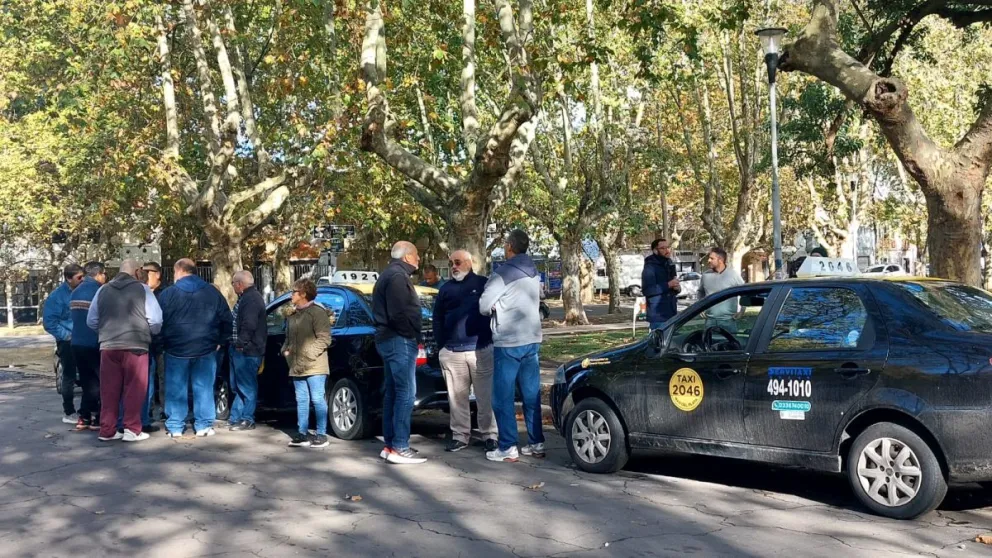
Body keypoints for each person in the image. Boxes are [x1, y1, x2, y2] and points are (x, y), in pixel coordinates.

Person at [479, 229, 544, 463]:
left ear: (509, 246)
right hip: (532, 338)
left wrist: (497, 307)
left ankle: (507, 446)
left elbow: (484, 306)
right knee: (530, 393)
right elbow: (540, 295)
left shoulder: (501, 273)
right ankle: (536, 442)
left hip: (508, 340)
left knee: (502, 396)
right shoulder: (534, 270)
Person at [86, 259, 163, 442]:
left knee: (109, 389)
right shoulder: (143, 289)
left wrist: (106, 331)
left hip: (108, 346)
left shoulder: (102, 290)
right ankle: (132, 429)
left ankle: (107, 430)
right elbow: (156, 320)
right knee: (134, 388)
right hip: (136, 345)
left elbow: (91, 320)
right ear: (136, 271)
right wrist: (148, 332)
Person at [159, 258, 232, 438]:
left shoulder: (168, 294)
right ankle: (204, 425)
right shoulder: (212, 293)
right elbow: (227, 320)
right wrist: (220, 341)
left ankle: (175, 426)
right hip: (205, 348)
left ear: (178, 271)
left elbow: (157, 321)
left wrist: (161, 344)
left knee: (176, 388)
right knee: (204, 387)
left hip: (175, 349)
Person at [433, 250, 497, 453]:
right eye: (451, 262)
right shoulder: (445, 289)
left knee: (485, 397)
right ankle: (460, 436)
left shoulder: (482, 283)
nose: (454, 266)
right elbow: (437, 319)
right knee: (457, 399)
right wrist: (442, 346)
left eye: (458, 262)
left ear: (469, 263)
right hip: (452, 352)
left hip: (480, 350)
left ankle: (490, 435)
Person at [372, 241, 427, 464]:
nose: (418, 259)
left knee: (394, 393)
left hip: (390, 339)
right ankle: (399, 447)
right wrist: (411, 335)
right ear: (406, 257)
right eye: (416, 255)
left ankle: (391, 444)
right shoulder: (397, 277)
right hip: (398, 340)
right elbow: (399, 313)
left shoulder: (389, 275)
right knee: (406, 393)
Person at [281, 278, 332, 448]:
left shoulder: (317, 312)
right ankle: (302, 433)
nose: (291, 295)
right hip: (296, 365)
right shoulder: (293, 314)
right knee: (301, 399)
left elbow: (324, 339)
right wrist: (285, 350)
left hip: (315, 365)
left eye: (294, 292)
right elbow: (288, 338)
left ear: (303, 294)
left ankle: (321, 434)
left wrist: (308, 355)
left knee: (317, 398)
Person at [44, 263, 85, 424]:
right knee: (69, 376)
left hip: (84, 340)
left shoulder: (84, 292)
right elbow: (49, 322)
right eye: (79, 278)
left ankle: (88, 410)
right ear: (68, 278)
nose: (82, 280)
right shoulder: (57, 297)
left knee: (88, 375)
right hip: (68, 342)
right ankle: (69, 411)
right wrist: (67, 336)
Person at [69, 261, 107, 431]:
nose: (105, 277)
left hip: (77, 343)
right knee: (101, 381)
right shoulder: (99, 291)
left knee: (87, 382)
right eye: (104, 274)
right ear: (98, 274)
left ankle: (84, 416)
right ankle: (98, 416)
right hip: (94, 342)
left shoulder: (75, 291)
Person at [228, 270, 266, 432]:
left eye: (233, 283)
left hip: (247, 350)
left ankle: (247, 419)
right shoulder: (247, 297)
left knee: (247, 386)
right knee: (238, 385)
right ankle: (236, 417)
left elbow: (248, 325)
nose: (233, 287)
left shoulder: (251, 299)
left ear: (239, 284)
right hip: (242, 348)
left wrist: (240, 343)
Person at [140, 262, 165, 432]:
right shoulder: (140, 292)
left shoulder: (165, 293)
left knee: (164, 378)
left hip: (163, 343)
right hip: (146, 343)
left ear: (158, 274)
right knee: (146, 380)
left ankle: (165, 410)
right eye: (144, 272)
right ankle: (146, 411)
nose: (147, 275)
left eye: (150, 272)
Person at [699, 247, 745, 333]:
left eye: (712, 258)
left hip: (728, 322)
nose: (708, 260)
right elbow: (700, 292)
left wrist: (742, 310)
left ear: (720, 260)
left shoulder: (733, 275)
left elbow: (745, 292)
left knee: (731, 346)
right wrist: (700, 307)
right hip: (710, 322)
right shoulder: (705, 276)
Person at [642, 239, 680, 330]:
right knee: (658, 343)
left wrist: (677, 288)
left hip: (672, 312)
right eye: (663, 248)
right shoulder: (650, 267)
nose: (667, 250)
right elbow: (647, 290)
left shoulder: (669, 263)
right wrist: (668, 285)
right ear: (655, 250)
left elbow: (673, 286)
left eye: (668, 247)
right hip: (658, 315)